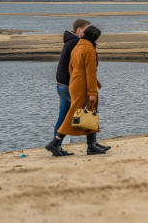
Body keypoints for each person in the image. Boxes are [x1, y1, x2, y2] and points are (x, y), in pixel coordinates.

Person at [46, 25, 107, 156]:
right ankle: (55, 143)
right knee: (74, 115)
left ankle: (91, 146)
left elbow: (70, 67)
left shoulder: (77, 46)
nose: (98, 41)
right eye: (97, 38)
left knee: (89, 112)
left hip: (75, 82)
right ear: (92, 36)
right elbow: (91, 72)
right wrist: (91, 91)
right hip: (84, 84)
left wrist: (75, 80)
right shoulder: (89, 48)